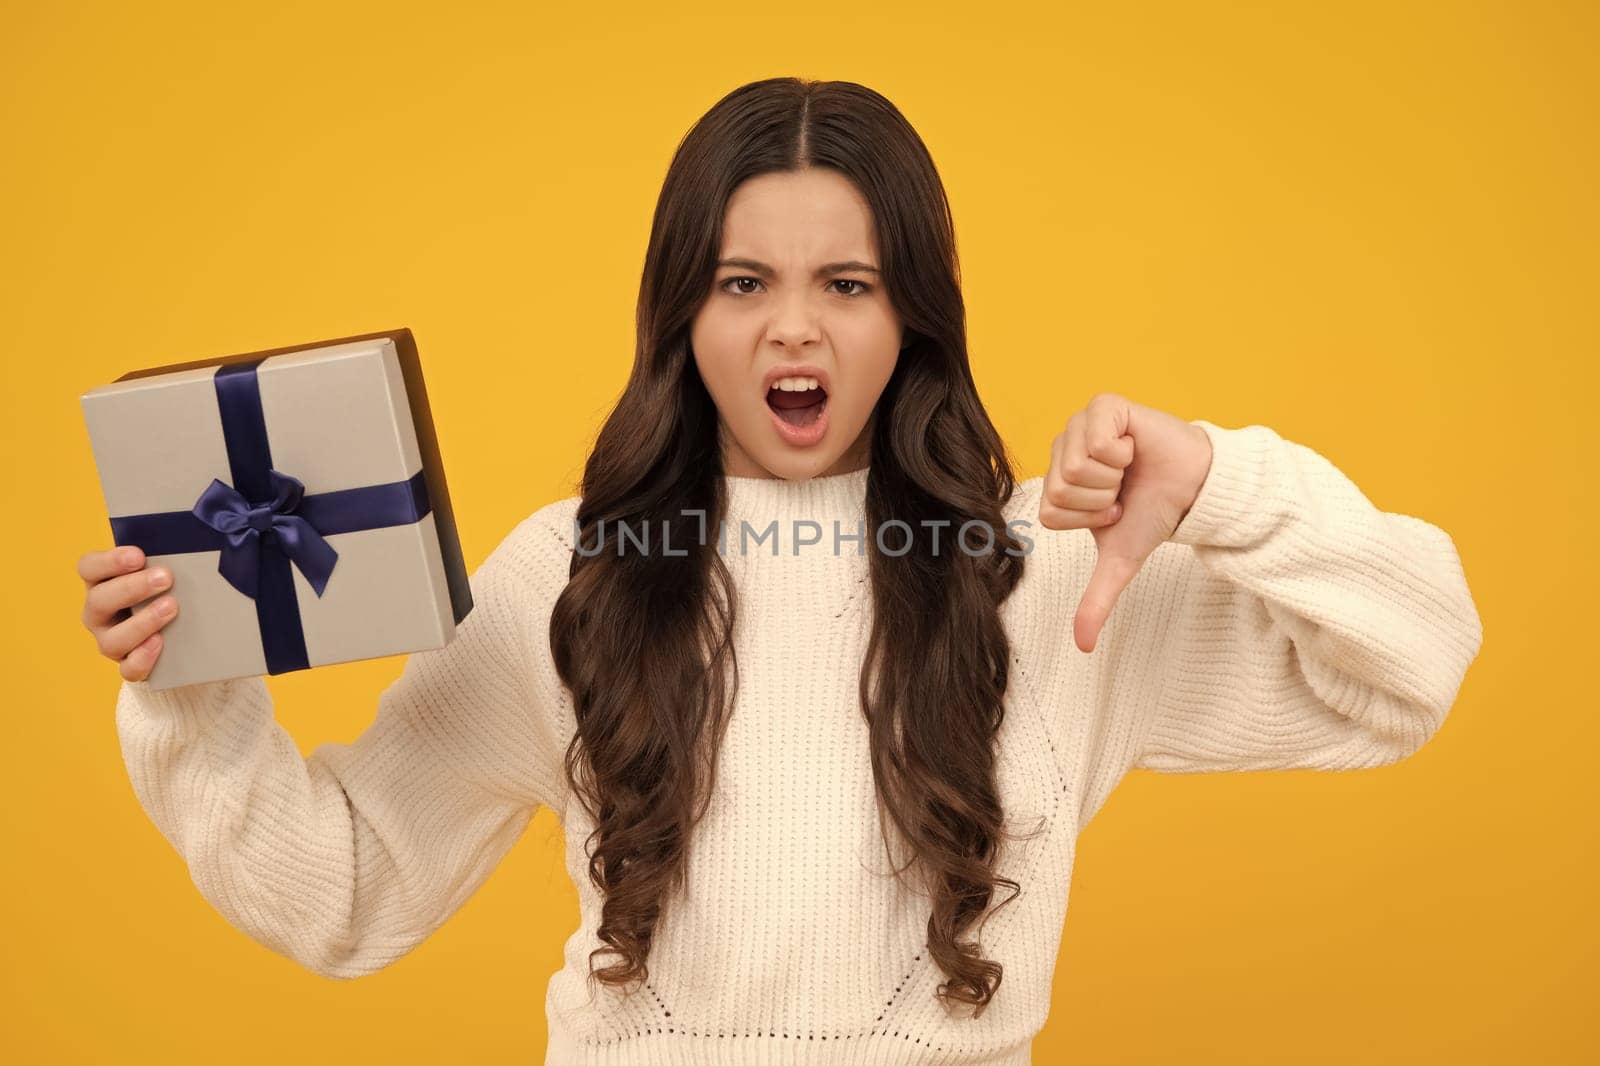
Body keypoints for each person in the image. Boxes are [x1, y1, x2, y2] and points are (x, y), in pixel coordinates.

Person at [76, 77, 1484, 1065]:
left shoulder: (1052, 572)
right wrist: (192, 691)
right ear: (683, 312)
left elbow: (1409, 671)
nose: (793, 331)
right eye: (744, 282)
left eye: (848, 284)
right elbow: (349, 892)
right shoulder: (568, 570)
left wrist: (1224, 483)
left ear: (912, 314)